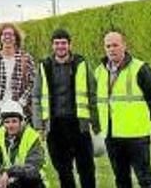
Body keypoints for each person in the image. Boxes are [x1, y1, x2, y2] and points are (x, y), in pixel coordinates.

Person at [95, 31, 151, 188]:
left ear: (124, 46)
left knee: (145, 178)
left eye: (115, 45)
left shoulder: (140, 68)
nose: (111, 49)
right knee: (121, 179)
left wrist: (146, 116)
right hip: (112, 136)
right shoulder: (99, 71)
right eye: (108, 46)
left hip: (136, 135)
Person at [31, 28, 99, 188]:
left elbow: (93, 94)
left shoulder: (81, 64)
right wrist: (39, 125)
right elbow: (36, 96)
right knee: (63, 171)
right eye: (57, 43)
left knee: (87, 169)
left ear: (70, 45)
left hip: (79, 125)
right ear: (52, 45)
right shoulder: (44, 66)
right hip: (54, 127)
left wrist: (96, 124)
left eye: (63, 43)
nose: (60, 46)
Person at [0, 101, 45, 188]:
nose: (10, 125)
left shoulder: (32, 137)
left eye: (14, 121)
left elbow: (33, 170)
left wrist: (10, 173)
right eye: (7, 122)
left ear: (21, 122)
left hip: (30, 182)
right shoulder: (0, 134)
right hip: (9, 179)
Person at [0, 24, 35, 125]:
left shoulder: (26, 58)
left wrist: (21, 103)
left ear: (16, 39)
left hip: (20, 111)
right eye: (4, 34)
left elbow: (32, 83)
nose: (7, 37)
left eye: (11, 34)